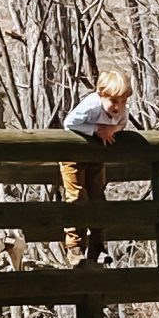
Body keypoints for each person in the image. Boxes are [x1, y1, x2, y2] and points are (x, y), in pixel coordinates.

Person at [59, 69, 133, 262]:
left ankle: (98, 245)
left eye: (123, 101)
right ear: (101, 95)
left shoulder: (121, 111)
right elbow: (69, 123)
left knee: (98, 198)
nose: (118, 107)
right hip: (72, 156)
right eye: (113, 101)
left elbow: (122, 123)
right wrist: (96, 131)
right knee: (76, 197)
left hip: (95, 157)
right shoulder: (91, 106)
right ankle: (74, 246)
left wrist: (113, 129)